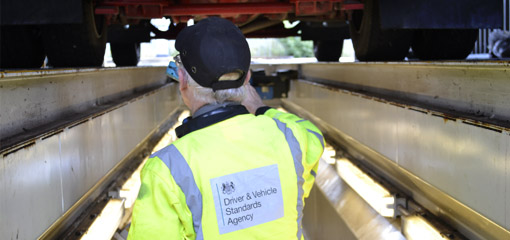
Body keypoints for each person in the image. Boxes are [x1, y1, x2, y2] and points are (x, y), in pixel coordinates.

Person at [128, 17, 324, 240]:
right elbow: (313, 135)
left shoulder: (166, 169)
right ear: (247, 78)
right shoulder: (291, 139)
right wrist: (261, 108)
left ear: (181, 79)